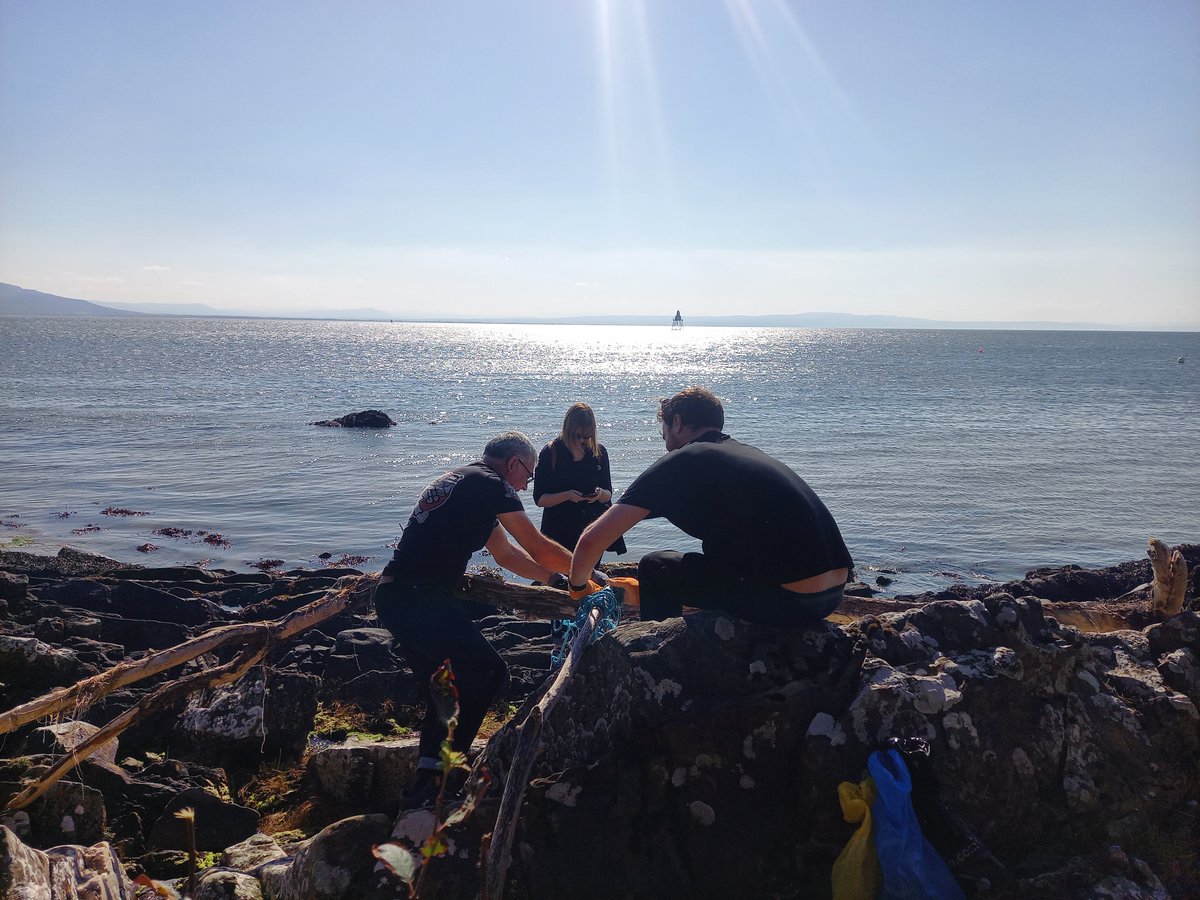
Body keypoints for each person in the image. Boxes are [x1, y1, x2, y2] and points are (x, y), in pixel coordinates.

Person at [375, 431, 595, 809]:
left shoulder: (467, 481)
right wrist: (590, 578)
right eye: (527, 475)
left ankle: (425, 789)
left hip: (396, 596)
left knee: (444, 689)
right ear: (513, 464)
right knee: (487, 672)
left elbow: (506, 555)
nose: (526, 486)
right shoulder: (491, 484)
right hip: (417, 598)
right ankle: (447, 779)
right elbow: (537, 545)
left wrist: (557, 580)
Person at [568, 387, 852, 626]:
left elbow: (593, 540)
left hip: (789, 600)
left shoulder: (680, 461)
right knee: (717, 551)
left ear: (676, 422)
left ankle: (656, 657)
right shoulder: (743, 455)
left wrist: (579, 589)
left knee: (657, 566)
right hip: (832, 593)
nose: (664, 441)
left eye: (663, 430)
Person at [533, 402, 627, 555]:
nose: (582, 441)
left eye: (587, 436)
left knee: (589, 575)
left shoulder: (599, 452)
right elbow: (540, 499)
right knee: (559, 575)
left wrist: (599, 494)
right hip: (558, 529)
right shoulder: (551, 452)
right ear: (568, 429)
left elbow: (608, 494)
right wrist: (567, 496)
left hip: (592, 530)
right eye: (577, 436)